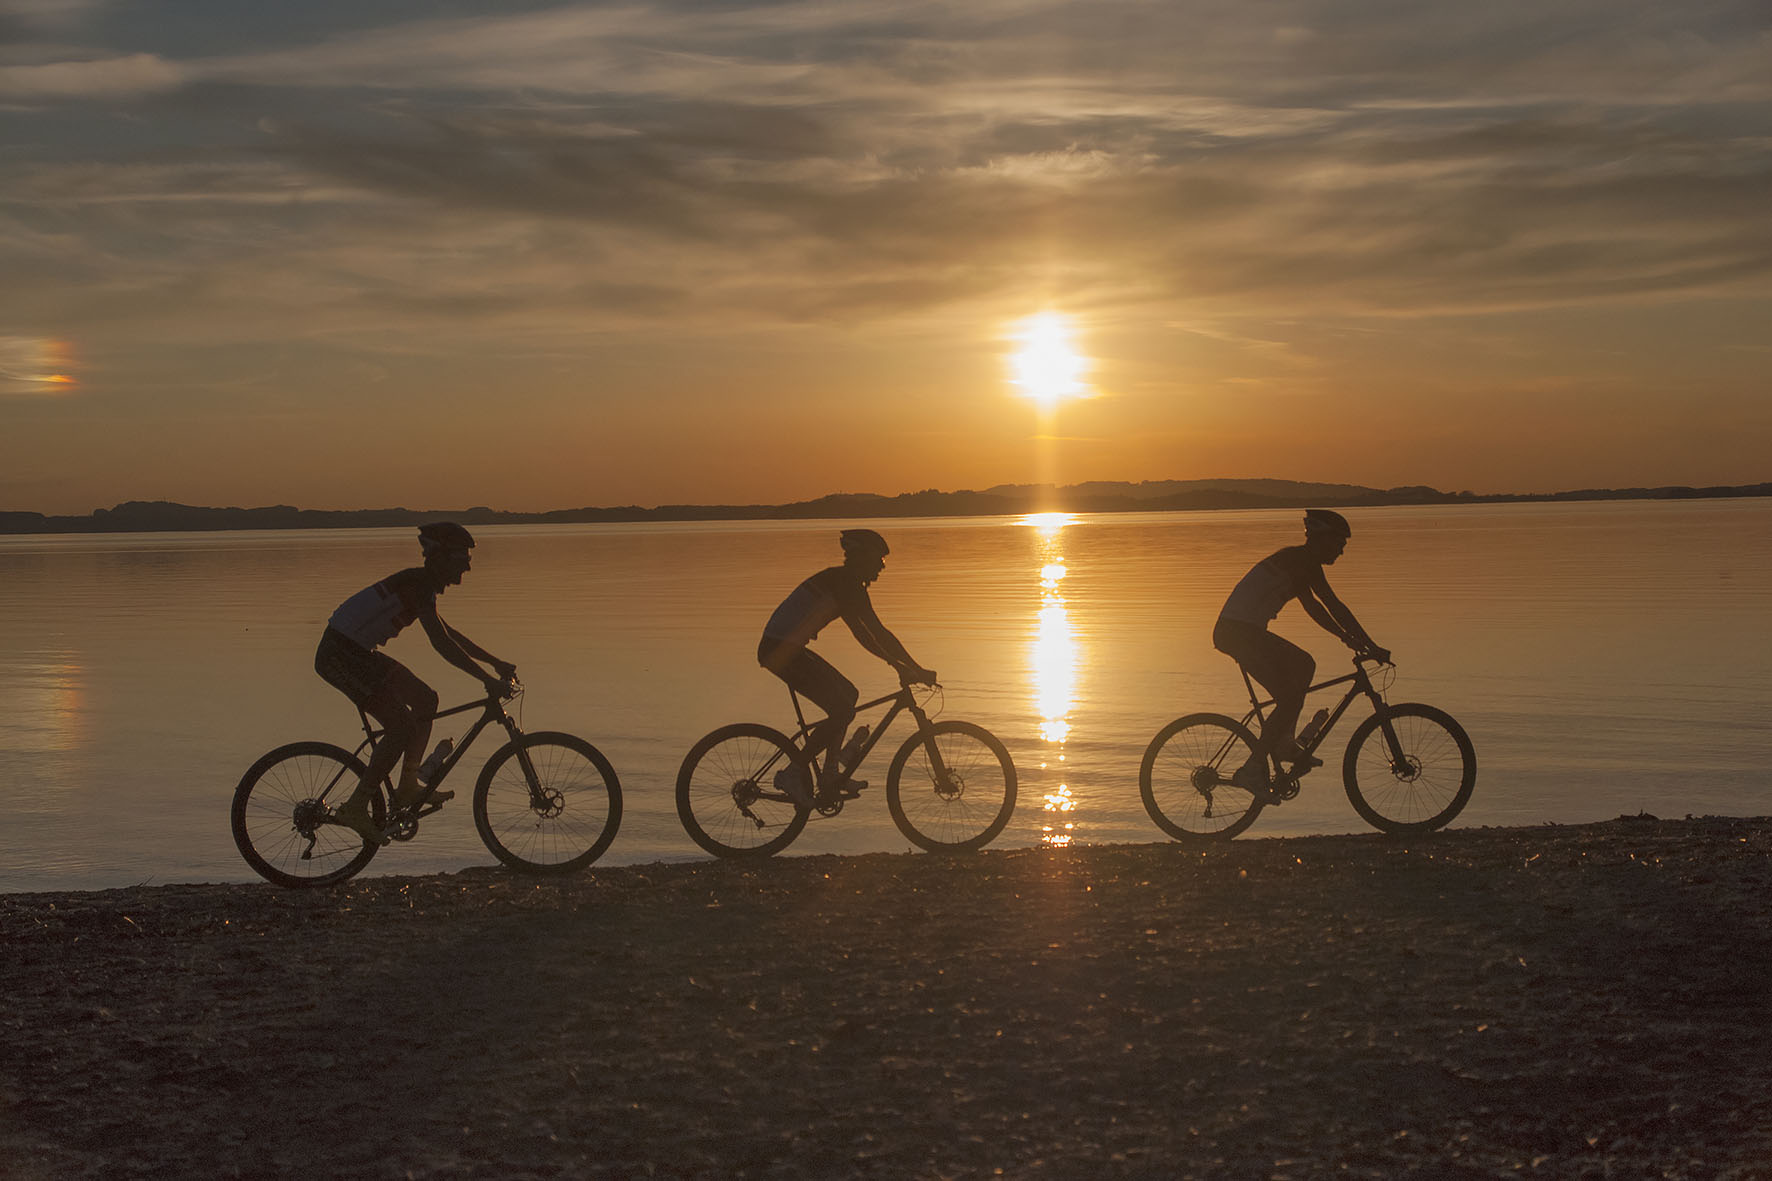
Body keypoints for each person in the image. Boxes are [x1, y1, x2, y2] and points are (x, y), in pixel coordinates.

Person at [312, 521, 515, 844]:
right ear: (440, 557)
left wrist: (495, 662)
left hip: (356, 653)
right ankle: (356, 806)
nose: (467, 567)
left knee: (425, 700)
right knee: (401, 728)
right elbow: (441, 643)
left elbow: (448, 634)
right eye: (462, 559)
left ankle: (407, 785)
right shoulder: (418, 585)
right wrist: (487, 680)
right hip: (340, 655)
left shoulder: (422, 585)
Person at [1212, 509, 1389, 791]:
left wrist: (1351, 640)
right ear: (1322, 538)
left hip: (1242, 631)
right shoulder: (1301, 562)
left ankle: (1283, 742)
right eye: (1339, 543)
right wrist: (1369, 645)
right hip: (1238, 633)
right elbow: (1332, 606)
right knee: (1289, 698)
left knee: (1304, 666)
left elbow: (1314, 607)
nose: (1341, 551)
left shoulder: (1300, 562)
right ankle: (1252, 768)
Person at [758, 528, 937, 806]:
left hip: (786, 649)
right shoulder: (846, 585)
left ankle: (830, 774)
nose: (881, 567)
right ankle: (792, 773)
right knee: (842, 710)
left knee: (848, 697)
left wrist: (909, 666)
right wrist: (906, 667)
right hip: (780, 651)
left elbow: (872, 634)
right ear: (863, 558)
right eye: (879, 560)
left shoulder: (846, 583)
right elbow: (874, 634)